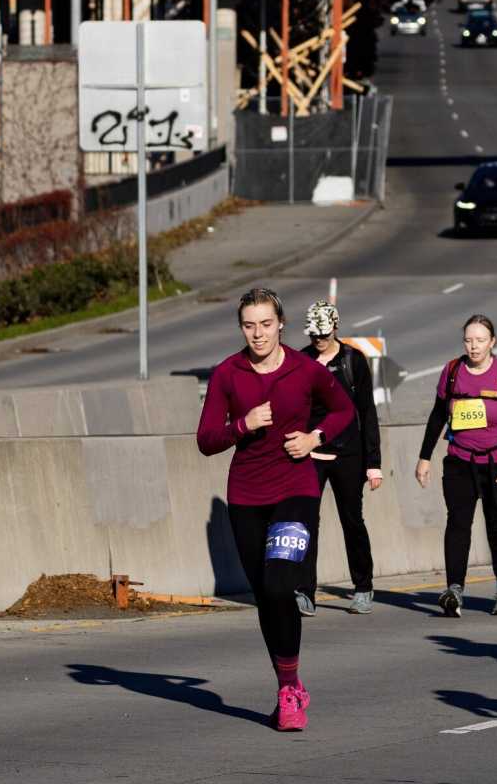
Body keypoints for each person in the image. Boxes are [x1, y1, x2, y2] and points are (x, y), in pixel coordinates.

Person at [196, 287, 355, 731]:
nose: (258, 333)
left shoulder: (305, 369)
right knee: (266, 596)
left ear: (281, 324)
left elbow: (344, 411)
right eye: (249, 325)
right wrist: (242, 425)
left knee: (281, 584)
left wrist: (314, 438)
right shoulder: (228, 374)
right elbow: (206, 439)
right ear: (241, 327)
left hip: (296, 488)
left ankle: (288, 696)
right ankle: (290, 683)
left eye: (266, 324)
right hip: (246, 495)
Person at [415, 315, 497, 618]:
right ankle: (454, 589)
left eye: (480, 340)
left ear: (492, 342)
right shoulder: (453, 371)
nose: (474, 346)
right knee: (458, 524)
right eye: (468, 340)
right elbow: (438, 414)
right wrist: (424, 457)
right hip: (460, 461)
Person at [297, 301, 382, 618]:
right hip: (310, 454)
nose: (318, 339)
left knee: (352, 521)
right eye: (313, 334)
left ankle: (363, 587)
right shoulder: (302, 360)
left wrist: (373, 463)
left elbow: (367, 413)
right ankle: (304, 591)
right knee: (306, 524)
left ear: (335, 328)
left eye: (323, 333)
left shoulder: (353, 361)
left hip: (349, 454)